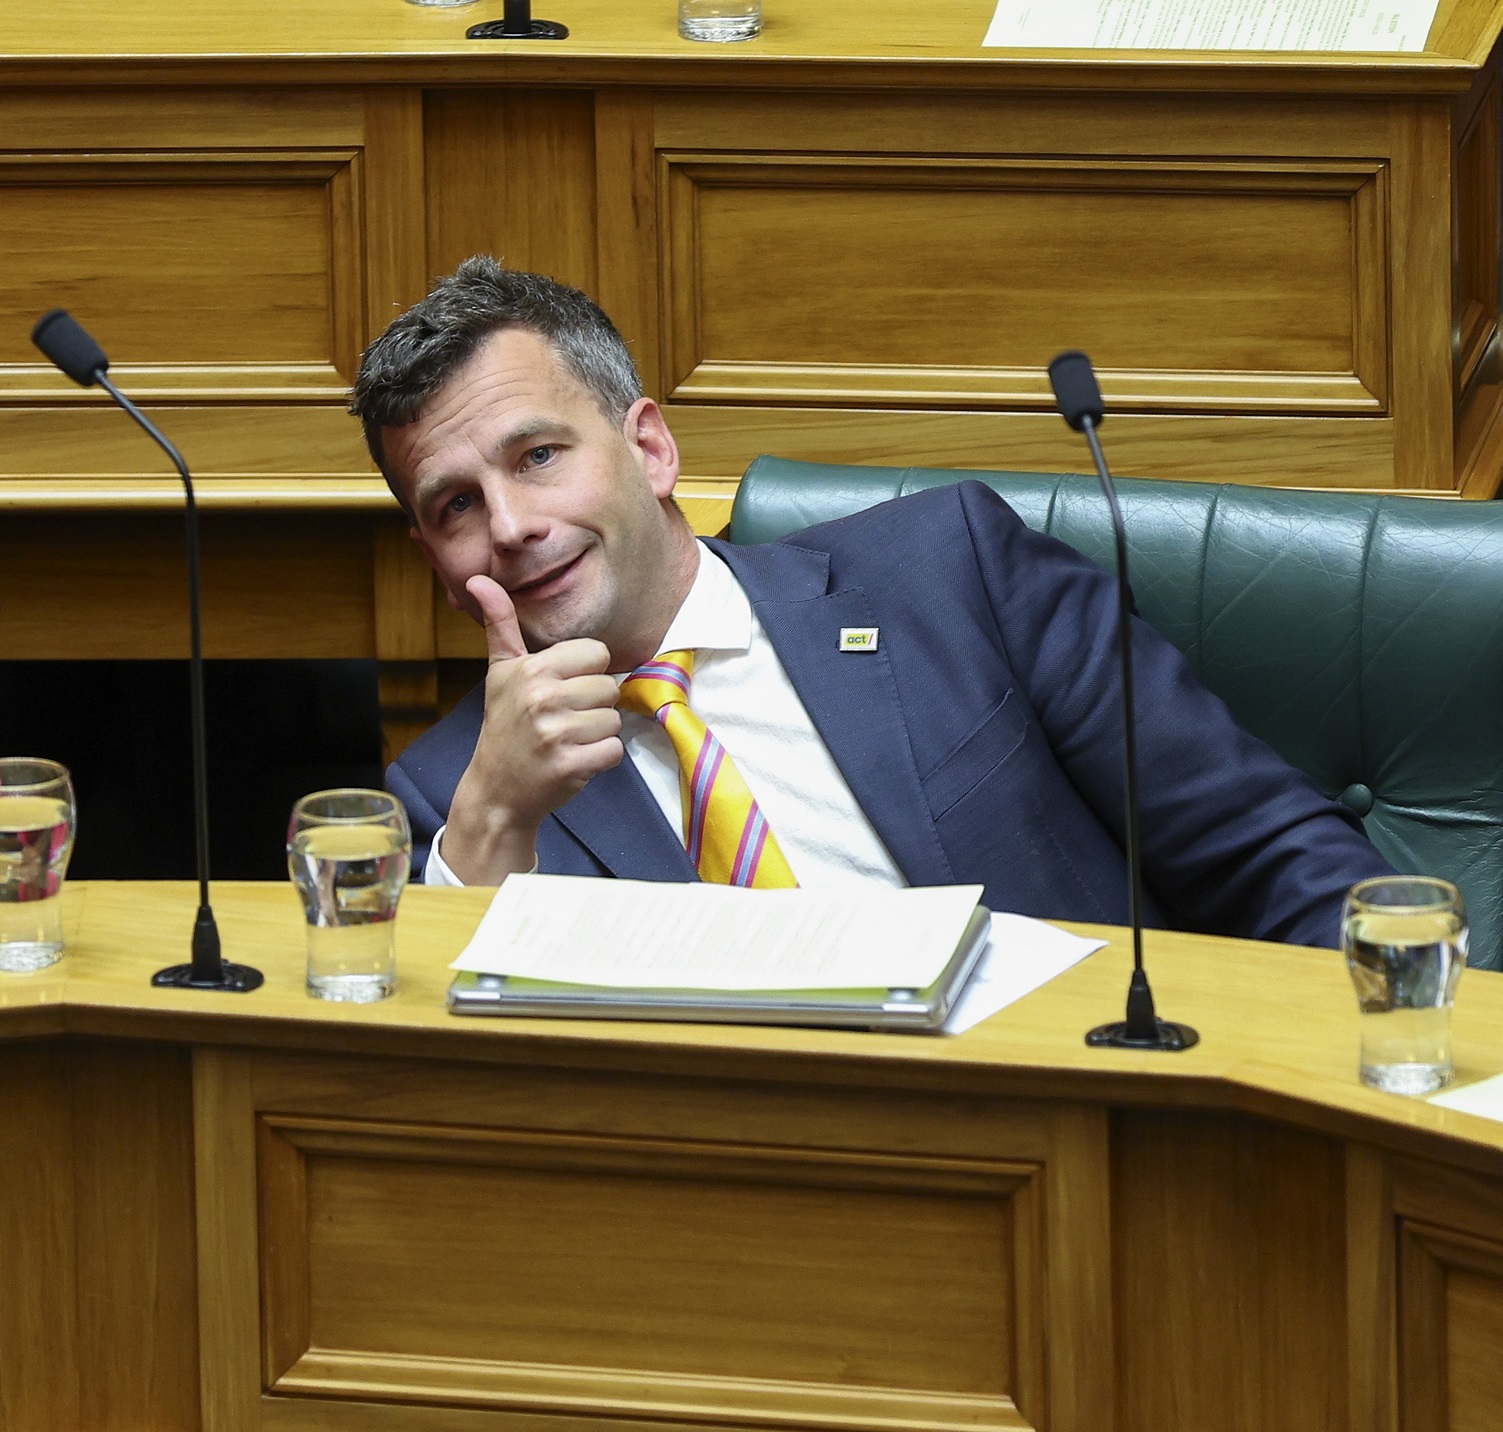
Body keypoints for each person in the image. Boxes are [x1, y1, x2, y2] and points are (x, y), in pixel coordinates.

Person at [350, 257, 1392, 948]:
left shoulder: (948, 573)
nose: (514, 523)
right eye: (456, 506)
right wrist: (491, 825)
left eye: (538, 456)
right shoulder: (448, 802)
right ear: (435, 560)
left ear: (650, 448)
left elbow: (1266, 851)